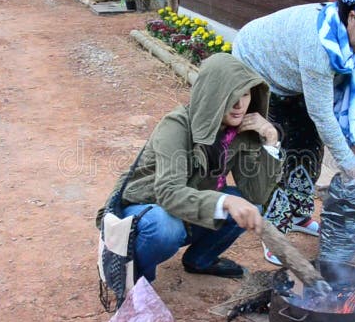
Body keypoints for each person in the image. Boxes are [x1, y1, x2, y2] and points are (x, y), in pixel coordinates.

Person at [232, 0, 355, 265]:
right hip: (259, 67)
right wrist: (350, 164)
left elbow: (350, 94)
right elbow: (323, 113)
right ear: (352, 16)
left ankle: (298, 215)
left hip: (294, 75)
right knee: (278, 150)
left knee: (309, 145)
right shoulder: (319, 44)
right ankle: (273, 232)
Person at [110, 53, 284, 282]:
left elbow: (256, 194)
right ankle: (133, 278)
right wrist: (225, 202)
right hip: (146, 207)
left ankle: (200, 260)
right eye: (230, 95)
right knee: (165, 227)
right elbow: (168, 193)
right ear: (213, 95)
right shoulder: (176, 125)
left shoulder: (239, 132)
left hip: (190, 209)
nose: (239, 105)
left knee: (250, 205)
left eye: (245, 93)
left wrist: (270, 140)